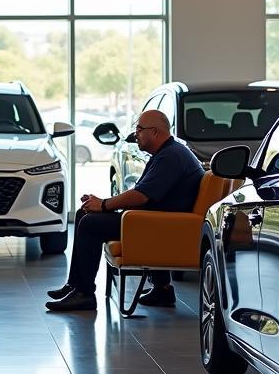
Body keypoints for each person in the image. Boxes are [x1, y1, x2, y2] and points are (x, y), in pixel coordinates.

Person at [45, 109, 204, 313]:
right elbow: (145, 194)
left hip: (158, 224)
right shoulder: (169, 152)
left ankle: (84, 294)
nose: (135, 133)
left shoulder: (170, 157)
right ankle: (76, 285)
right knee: (84, 213)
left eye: (139, 128)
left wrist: (103, 204)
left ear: (155, 132)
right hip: (157, 219)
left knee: (89, 224)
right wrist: (100, 204)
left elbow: (141, 195)